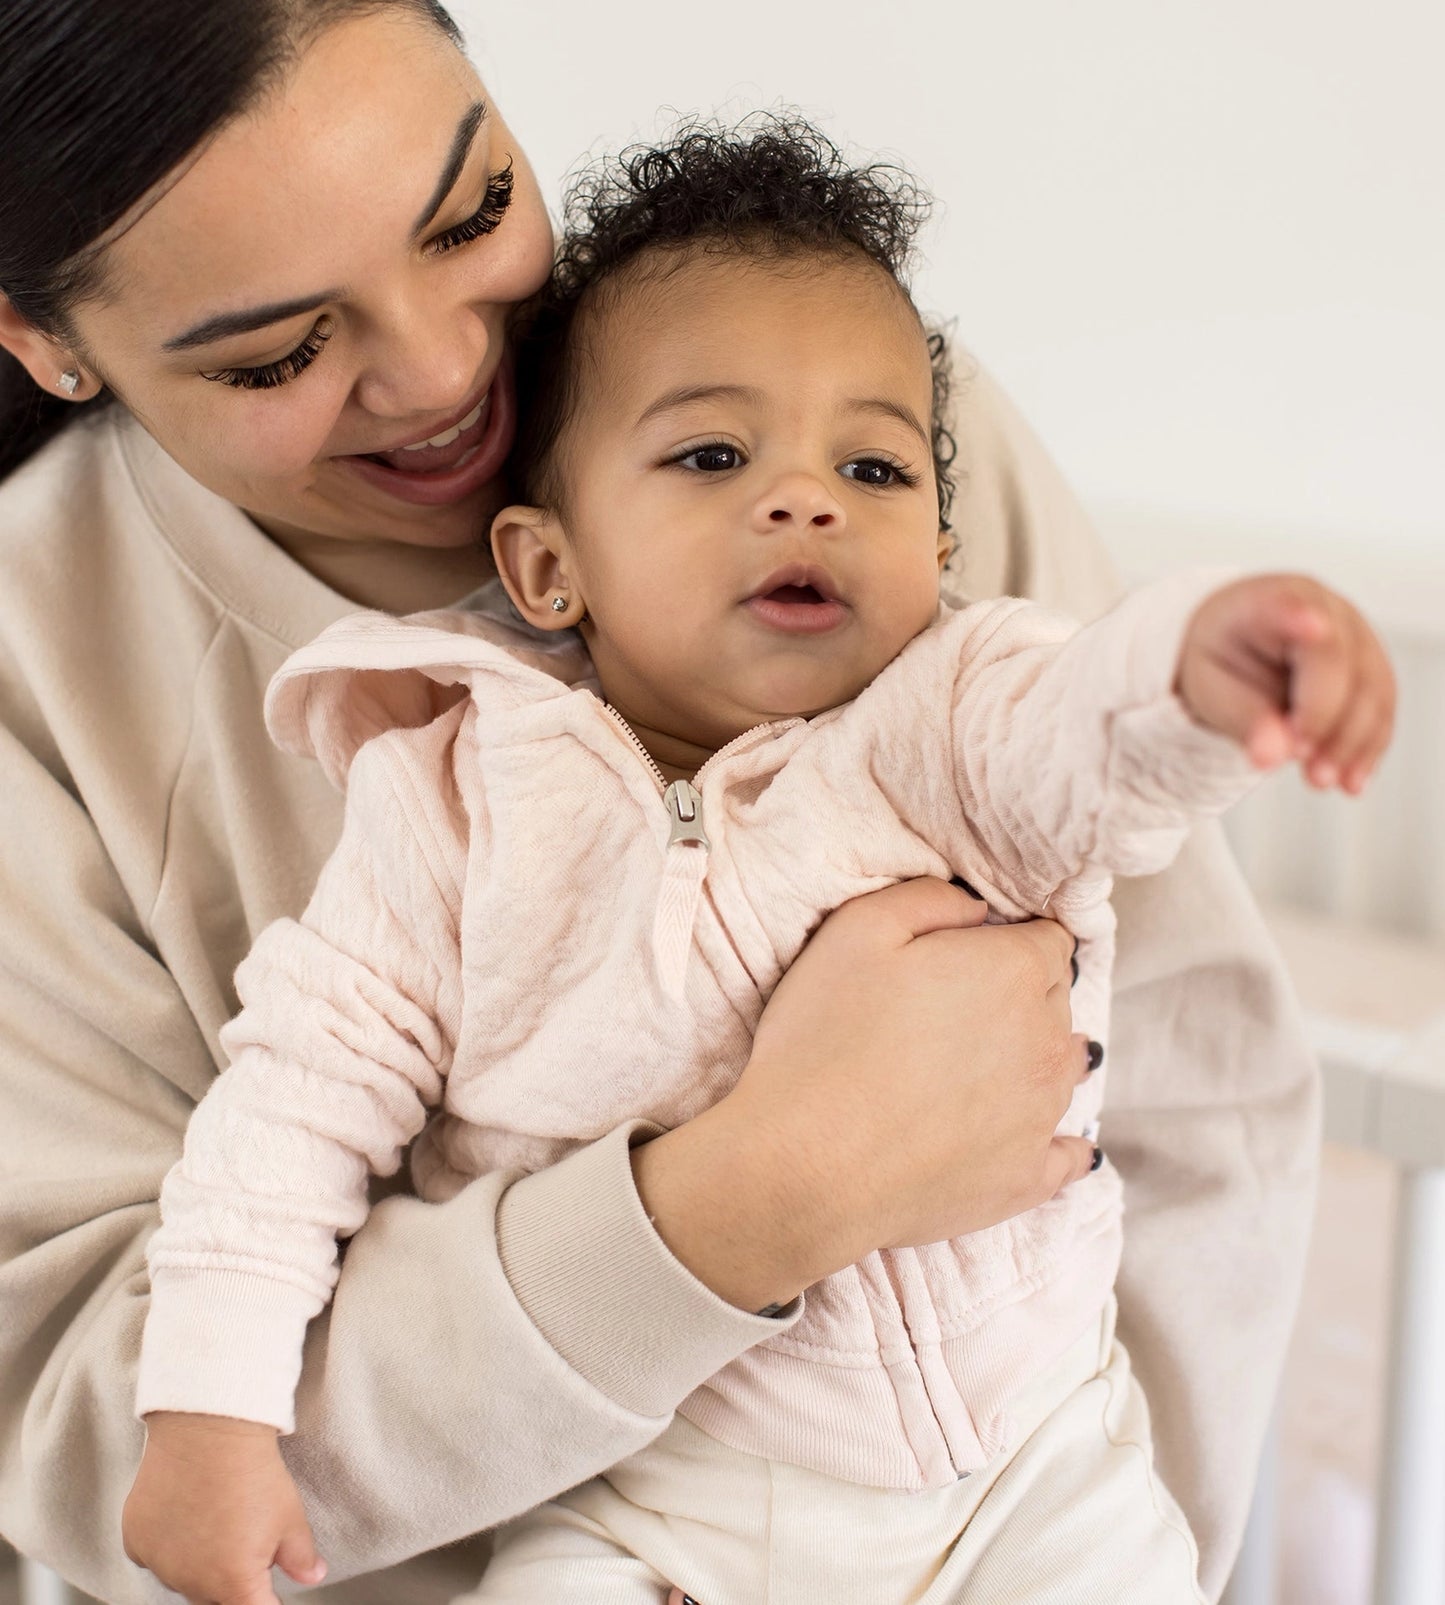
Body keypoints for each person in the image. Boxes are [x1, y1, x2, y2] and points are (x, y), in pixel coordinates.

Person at [0, 5, 1319, 1604]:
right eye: (279, 349)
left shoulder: (848, 401)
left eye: (472, 209)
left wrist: (1119, 1528)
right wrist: (742, 1203)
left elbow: (1194, 1101)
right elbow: (86, 1421)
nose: (442, 370)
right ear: (44, 341)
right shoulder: (83, 672)